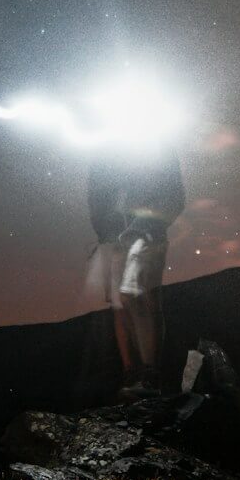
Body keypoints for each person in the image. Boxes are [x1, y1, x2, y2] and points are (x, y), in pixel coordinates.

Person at [87, 141, 184, 400]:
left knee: (141, 297)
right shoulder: (106, 150)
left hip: (146, 233)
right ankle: (132, 374)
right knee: (120, 305)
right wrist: (105, 232)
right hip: (113, 236)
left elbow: (174, 195)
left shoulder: (159, 146)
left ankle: (150, 375)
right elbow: (96, 193)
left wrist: (146, 225)